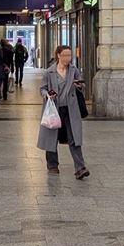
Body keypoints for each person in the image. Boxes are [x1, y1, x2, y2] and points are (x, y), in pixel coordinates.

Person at [38, 45, 90, 180]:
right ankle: (52, 165)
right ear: (58, 56)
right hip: (54, 109)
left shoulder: (74, 70)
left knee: (74, 139)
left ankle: (80, 168)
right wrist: (47, 95)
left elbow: (82, 85)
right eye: (65, 55)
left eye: (69, 55)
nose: (68, 58)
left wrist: (79, 86)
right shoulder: (49, 72)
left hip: (70, 109)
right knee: (52, 138)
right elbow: (42, 88)